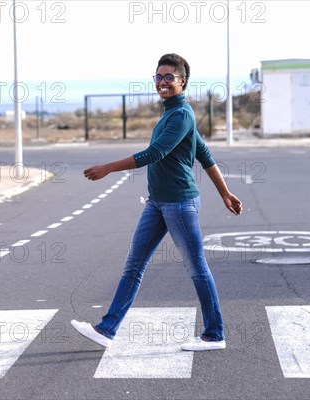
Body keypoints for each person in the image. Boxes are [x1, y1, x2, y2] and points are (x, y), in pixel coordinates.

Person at [71, 53, 243, 351]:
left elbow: (155, 153)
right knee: (134, 265)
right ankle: (107, 329)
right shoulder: (171, 114)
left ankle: (215, 334)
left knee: (197, 268)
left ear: (182, 82)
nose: (162, 82)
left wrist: (108, 167)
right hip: (157, 203)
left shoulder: (182, 115)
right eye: (158, 77)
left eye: (168, 78)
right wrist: (225, 193)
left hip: (179, 203)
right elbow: (204, 155)